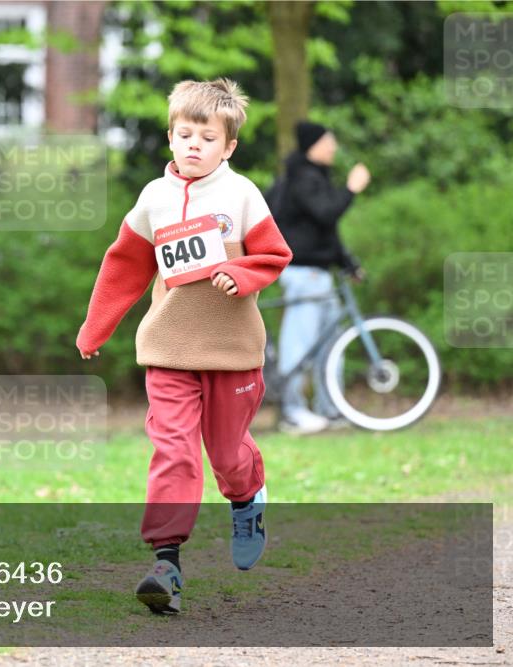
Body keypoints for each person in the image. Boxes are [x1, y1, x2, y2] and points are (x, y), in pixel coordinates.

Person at [75, 79, 292, 615]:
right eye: (184, 134)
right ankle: (165, 563)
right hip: (169, 352)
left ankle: (247, 498)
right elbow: (124, 264)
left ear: (229, 146)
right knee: (173, 452)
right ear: (170, 138)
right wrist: (95, 328)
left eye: (207, 137)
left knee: (226, 453)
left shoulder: (241, 195)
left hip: (233, 352)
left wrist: (239, 272)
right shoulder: (154, 197)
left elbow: (274, 255)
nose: (194, 144)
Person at [271, 121, 370, 435]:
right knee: (299, 344)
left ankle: (332, 409)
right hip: (303, 274)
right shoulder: (302, 179)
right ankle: (293, 412)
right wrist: (352, 188)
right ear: (314, 145)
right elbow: (327, 213)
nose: (334, 147)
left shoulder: (315, 178)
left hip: (320, 274)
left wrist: (348, 264)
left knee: (332, 345)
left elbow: (325, 231)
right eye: (329, 141)